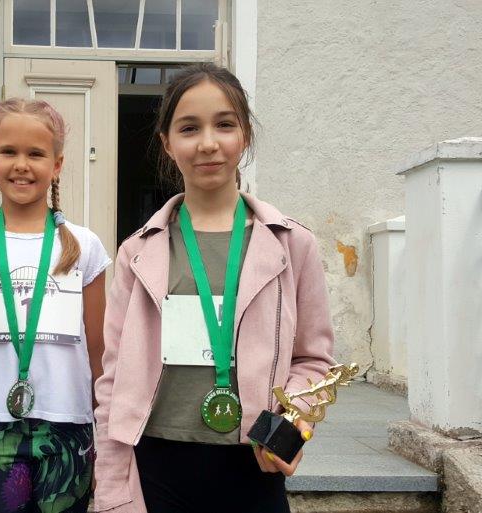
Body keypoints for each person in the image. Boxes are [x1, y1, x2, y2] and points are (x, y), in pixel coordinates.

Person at [93, 63, 337, 513]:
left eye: (224, 124)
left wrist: (294, 424)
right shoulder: (137, 253)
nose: (208, 143)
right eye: (189, 128)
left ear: (245, 135)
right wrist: (110, 484)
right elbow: (113, 378)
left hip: (254, 463)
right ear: (167, 143)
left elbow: (313, 361)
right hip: (157, 464)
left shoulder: (293, 244)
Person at [0, 98, 111, 513]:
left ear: (57, 164)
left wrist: (105, 431)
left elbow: (99, 351)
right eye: (9, 151)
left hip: (68, 422)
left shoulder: (84, 247)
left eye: (36, 154)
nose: (22, 165)